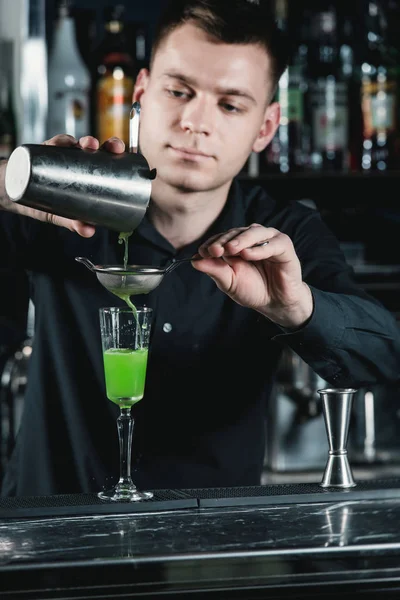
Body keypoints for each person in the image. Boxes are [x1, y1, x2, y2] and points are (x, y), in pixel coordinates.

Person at [0, 0, 399, 497]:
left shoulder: (285, 234)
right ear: (141, 93)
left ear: (266, 128)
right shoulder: (59, 212)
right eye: (178, 91)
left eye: (230, 105)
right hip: (51, 537)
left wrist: (298, 307)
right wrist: (10, 184)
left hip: (210, 551)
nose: (195, 121)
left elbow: (385, 356)